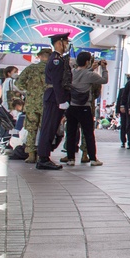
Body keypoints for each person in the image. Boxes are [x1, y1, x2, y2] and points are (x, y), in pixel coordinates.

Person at [63, 52, 108, 166]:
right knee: (88, 133)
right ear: (88, 62)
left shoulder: (72, 73)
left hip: (72, 106)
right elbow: (104, 80)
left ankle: (70, 158)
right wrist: (103, 68)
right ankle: (93, 158)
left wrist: (90, 69)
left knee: (71, 133)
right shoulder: (90, 75)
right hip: (85, 108)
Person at [36, 32, 73, 170]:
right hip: (54, 97)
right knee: (49, 128)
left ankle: (44, 157)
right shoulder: (56, 60)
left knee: (50, 127)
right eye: (65, 42)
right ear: (59, 43)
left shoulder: (57, 58)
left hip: (53, 97)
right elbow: (57, 83)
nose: (67, 45)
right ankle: (43, 158)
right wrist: (61, 100)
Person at [17, 47, 51, 164]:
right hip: (46, 104)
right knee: (44, 130)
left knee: (31, 129)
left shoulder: (31, 68)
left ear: (40, 56)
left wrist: (30, 90)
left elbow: (19, 83)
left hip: (31, 104)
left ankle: (31, 155)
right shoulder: (52, 69)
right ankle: (43, 154)